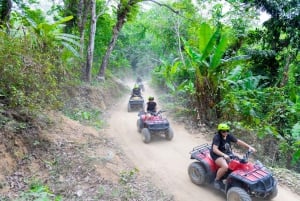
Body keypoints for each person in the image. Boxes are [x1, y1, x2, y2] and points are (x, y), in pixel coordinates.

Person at [210, 123, 256, 190]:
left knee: (238, 162)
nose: (226, 132)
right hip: (217, 154)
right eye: (223, 131)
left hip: (227, 153)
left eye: (227, 130)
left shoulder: (228, 135)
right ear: (220, 131)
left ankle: (230, 177)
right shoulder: (217, 137)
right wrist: (224, 155)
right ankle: (216, 180)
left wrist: (249, 147)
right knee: (225, 166)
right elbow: (214, 149)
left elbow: (238, 141)